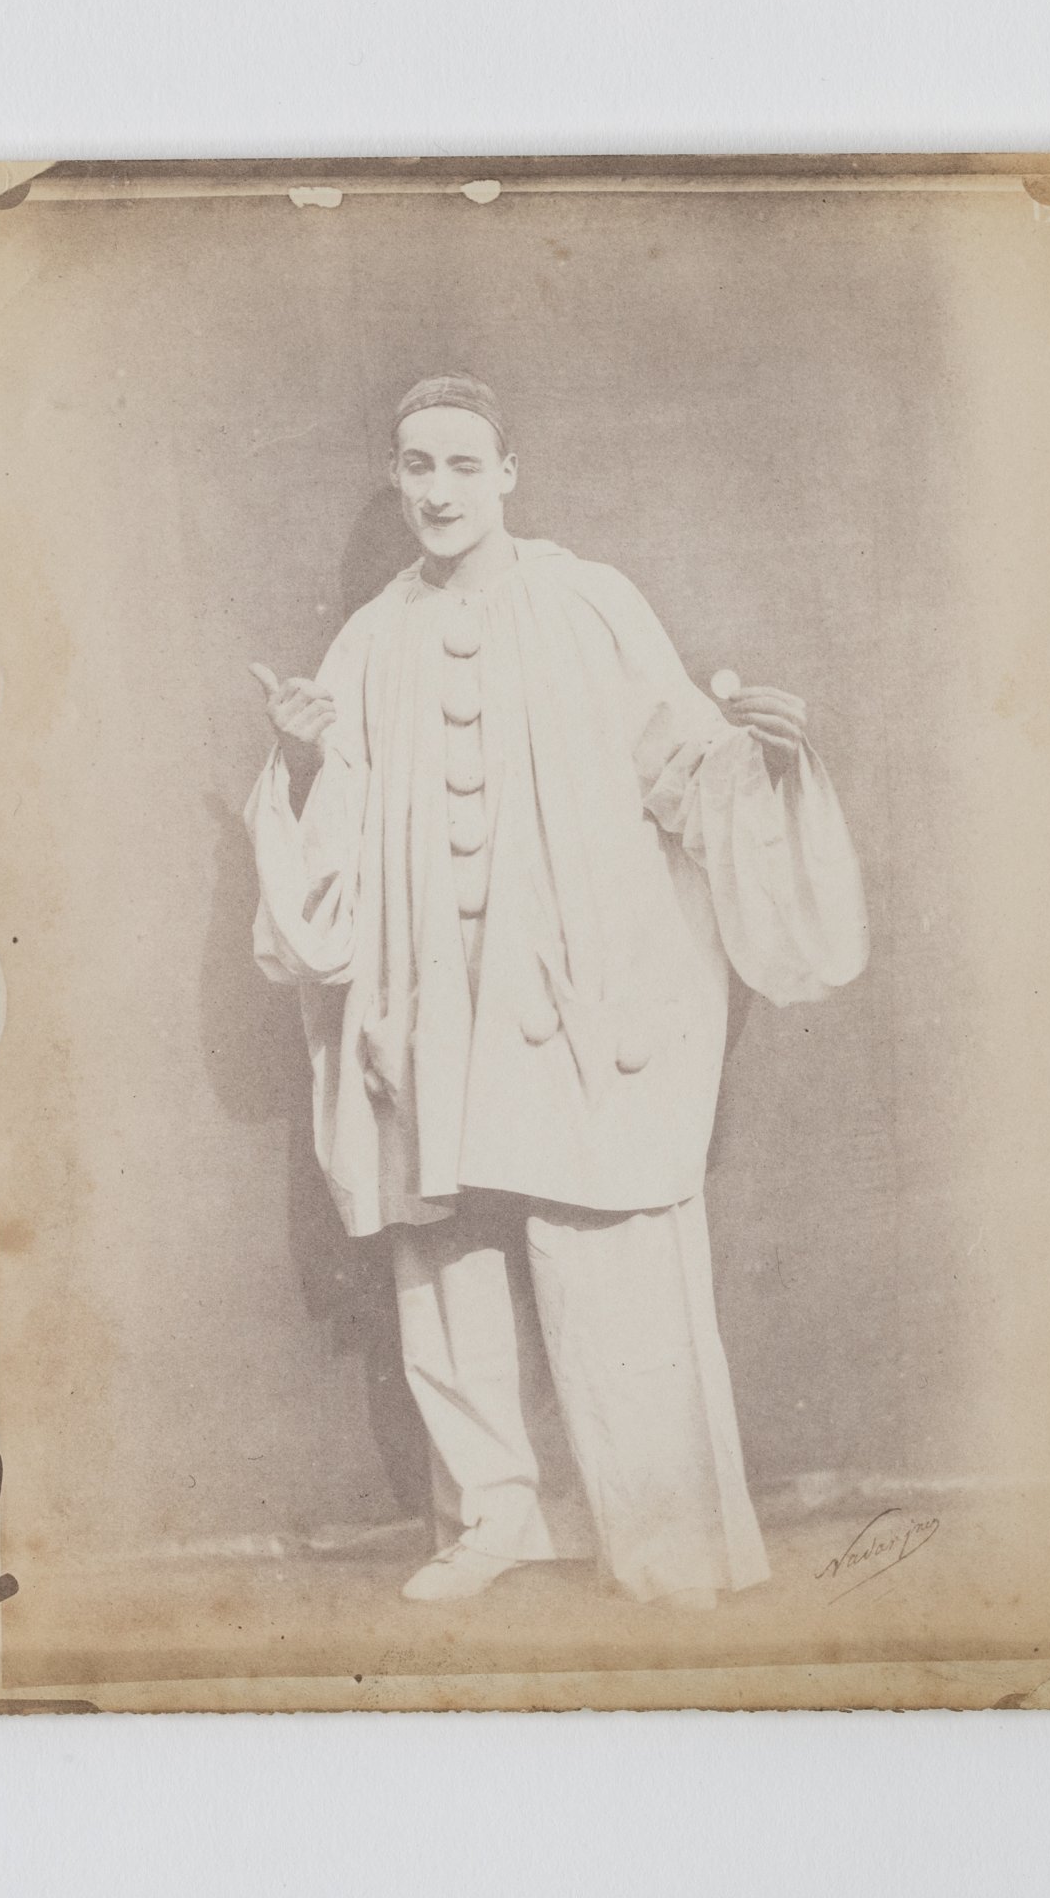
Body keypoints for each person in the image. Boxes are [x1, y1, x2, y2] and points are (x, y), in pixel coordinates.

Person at [247, 374, 867, 1607]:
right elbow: (340, 824)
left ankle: (663, 1533)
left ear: (509, 473)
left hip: (577, 985)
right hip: (431, 995)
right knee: (447, 1253)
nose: (438, 490)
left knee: (607, 1244)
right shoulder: (371, 637)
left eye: (462, 464)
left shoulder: (591, 602)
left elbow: (684, 762)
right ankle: (494, 1519)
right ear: (396, 477)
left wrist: (765, 764)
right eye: (416, 466)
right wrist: (307, 757)